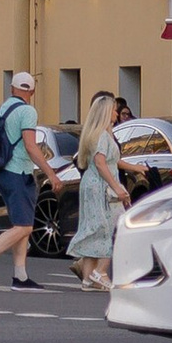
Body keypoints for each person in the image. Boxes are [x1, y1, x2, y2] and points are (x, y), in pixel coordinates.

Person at [66, 88, 127, 289]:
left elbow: (108, 161)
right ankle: (100, 272)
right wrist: (117, 188)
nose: (117, 113)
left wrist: (135, 168)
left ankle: (87, 278)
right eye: (114, 110)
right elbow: (101, 163)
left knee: (93, 228)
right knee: (112, 227)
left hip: (91, 184)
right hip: (102, 187)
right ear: (106, 112)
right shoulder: (103, 136)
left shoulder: (95, 134)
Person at [0, 70, 47, 287]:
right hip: (20, 172)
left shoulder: (1, 109)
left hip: (1, 170)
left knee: (20, 222)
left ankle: (20, 275)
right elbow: (30, 145)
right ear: (32, 92)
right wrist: (50, 172)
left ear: (11, 89)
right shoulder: (28, 111)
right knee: (24, 226)